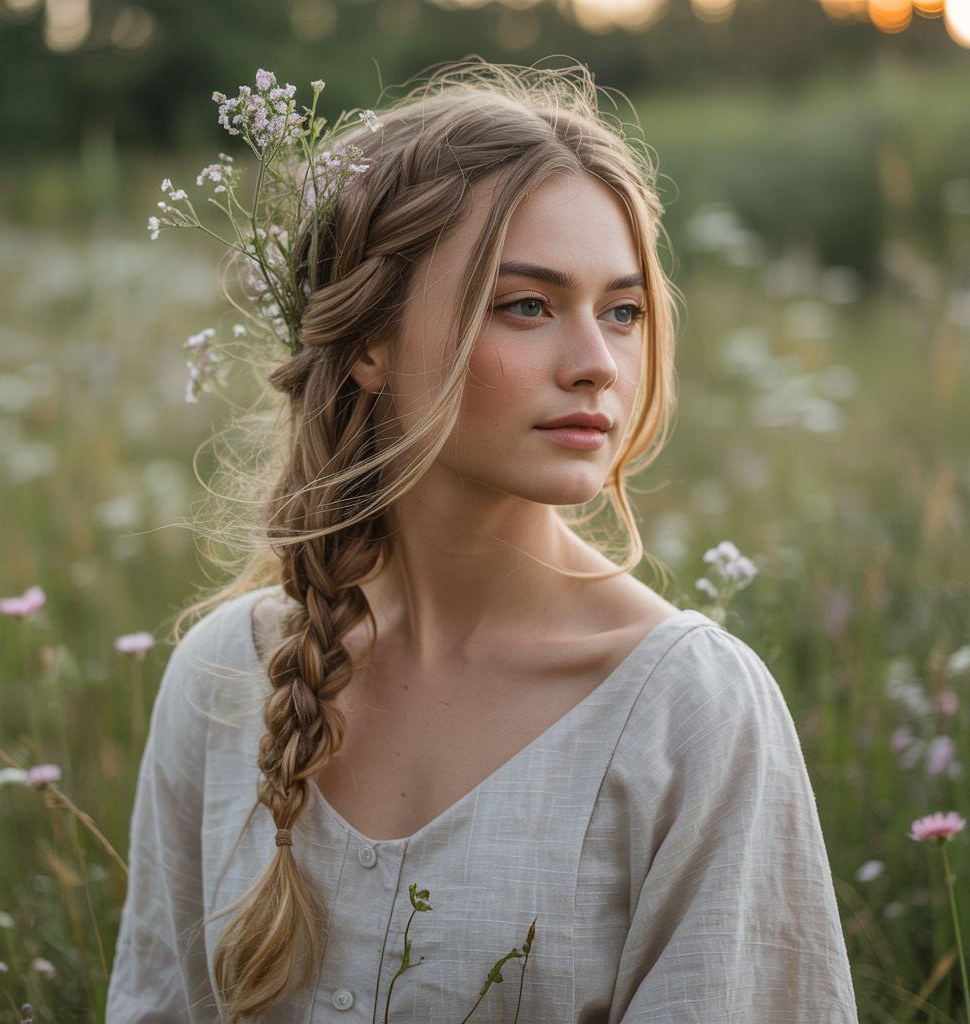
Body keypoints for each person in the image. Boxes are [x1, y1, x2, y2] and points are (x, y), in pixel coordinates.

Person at [107, 64, 858, 1023]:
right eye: (528, 306)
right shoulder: (225, 682)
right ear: (370, 342)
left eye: (622, 312)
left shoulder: (693, 714)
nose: (596, 365)